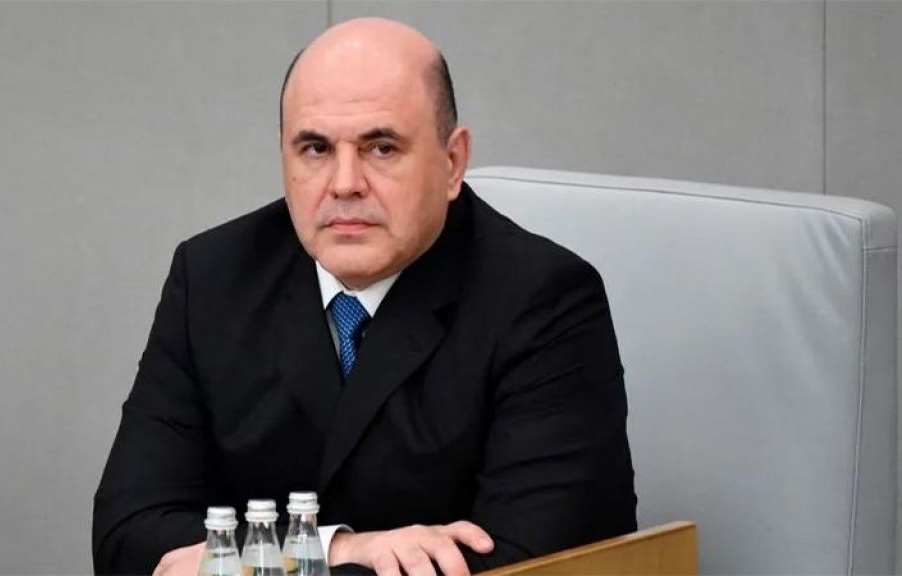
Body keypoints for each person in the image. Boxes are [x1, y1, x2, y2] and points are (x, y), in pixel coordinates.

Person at [93, 17, 636, 576]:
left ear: (453, 162)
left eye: (381, 147)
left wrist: (234, 561)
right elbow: (127, 539)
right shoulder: (212, 278)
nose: (345, 182)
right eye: (315, 148)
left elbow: (534, 561)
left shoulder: (545, 300)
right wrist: (337, 549)